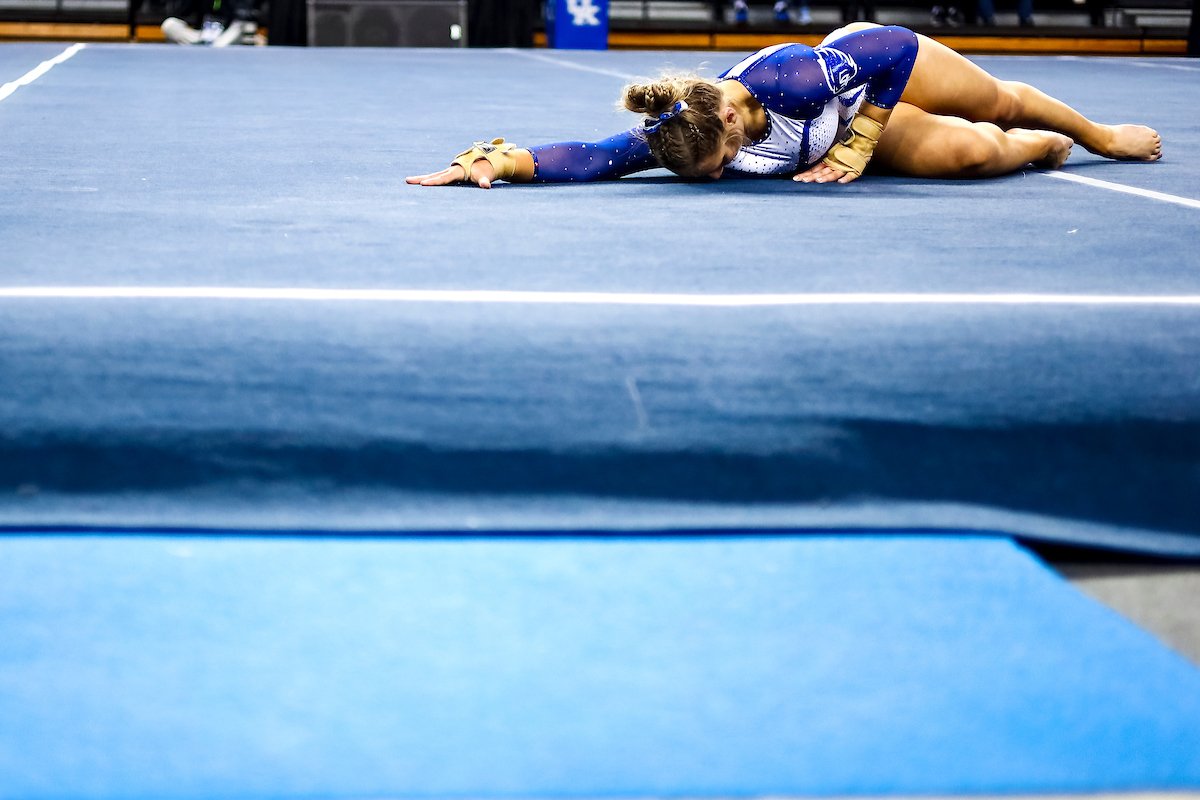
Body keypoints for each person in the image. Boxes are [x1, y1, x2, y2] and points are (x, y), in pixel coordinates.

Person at [407, 24, 1160, 190]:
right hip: (837, 136)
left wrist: (860, 141)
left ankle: (1095, 134)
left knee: (996, 101)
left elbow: (897, 48)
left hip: (864, 78)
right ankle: (1042, 148)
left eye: (725, 159)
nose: (724, 172)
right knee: (974, 154)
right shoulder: (683, 132)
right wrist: (500, 161)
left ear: (732, 121)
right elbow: (597, 157)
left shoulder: (795, 79)